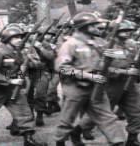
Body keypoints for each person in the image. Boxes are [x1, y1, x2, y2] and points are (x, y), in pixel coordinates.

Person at [54, 12, 127, 146]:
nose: (97, 27)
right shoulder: (70, 44)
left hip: (96, 85)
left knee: (107, 117)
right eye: (93, 25)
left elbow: (119, 54)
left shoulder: (97, 42)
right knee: (67, 119)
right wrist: (90, 76)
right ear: (84, 26)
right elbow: (62, 68)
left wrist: (119, 53)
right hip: (75, 87)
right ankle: (60, 141)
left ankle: (118, 142)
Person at [77, 20, 140, 146]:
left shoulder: (131, 45)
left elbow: (138, 61)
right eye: (123, 31)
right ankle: (77, 130)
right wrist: (123, 71)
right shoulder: (104, 46)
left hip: (130, 83)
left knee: (139, 112)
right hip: (109, 85)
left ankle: (132, 138)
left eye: (129, 31)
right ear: (115, 31)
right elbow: (99, 67)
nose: (127, 34)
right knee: (101, 114)